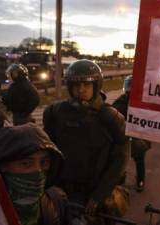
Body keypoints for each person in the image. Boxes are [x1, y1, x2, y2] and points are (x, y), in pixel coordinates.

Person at [43, 59, 129, 223]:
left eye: (86, 85)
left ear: (96, 86)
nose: (81, 90)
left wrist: (99, 195)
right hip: (61, 190)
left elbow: (119, 161)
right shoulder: (55, 113)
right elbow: (48, 153)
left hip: (95, 193)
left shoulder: (111, 118)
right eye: (76, 85)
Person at [0, 123, 69, 225]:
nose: (38, 171)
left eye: (44, 162)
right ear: (3, 165)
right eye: (26, 163)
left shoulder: (56, 200)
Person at [113, 75, 151, 192]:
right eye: (128, 86)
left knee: (139, 158)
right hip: (124, 135)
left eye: (131, 86)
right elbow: (113, 114)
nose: (129, 89)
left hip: (138, 136)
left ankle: (140, 179)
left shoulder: (143, 102)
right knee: (121, 159)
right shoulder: (121, 101)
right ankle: (121, 180)